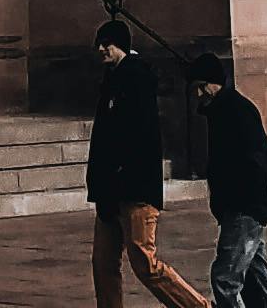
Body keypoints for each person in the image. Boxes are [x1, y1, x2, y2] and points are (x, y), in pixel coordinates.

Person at [84, 16, 202, 308]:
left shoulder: (136, 80)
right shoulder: (112, 80)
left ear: (120, 46)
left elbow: (139, 138)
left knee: (144, 263)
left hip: (134, 191)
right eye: (99, 44)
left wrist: (122, 176)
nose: (101, 49)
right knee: (103, 263)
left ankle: (197, 306)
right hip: (110, 192)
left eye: (106, 44)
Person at [189, 54, 267, 308]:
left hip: (244, 207)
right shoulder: (222, 111)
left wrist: (242, 204)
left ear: (212, 84)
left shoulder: (236, 111)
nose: (197, 95)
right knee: (256, 281)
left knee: (225, 279)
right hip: (240, 208)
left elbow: (254, 162)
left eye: (199, 87)